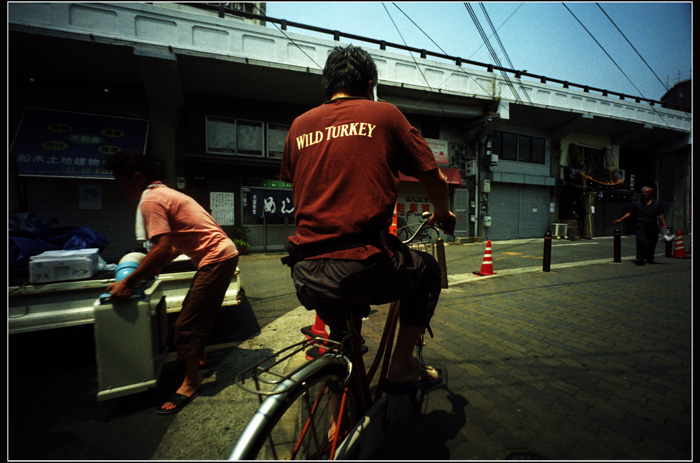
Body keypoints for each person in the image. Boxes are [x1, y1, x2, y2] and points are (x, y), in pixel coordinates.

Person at [280, 44, 456, 394]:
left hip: (306, 268)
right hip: (364, 263)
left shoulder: (299, 126)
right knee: (427, 274)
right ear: (370, 84)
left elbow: (297, 182)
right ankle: (403, 368)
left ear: (328, 85)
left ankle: (337, 423)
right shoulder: (385, 114)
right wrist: (442, 212)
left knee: (345, 342)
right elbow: (432, 175)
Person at [103, 150, 239, 414]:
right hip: (221, 255)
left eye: (121, 182)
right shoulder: (167, 193)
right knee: (194, 309)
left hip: (216, 257)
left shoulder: (151, 199)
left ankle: (191, 384)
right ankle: (196, 357)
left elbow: (163, 249)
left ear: (137, 177)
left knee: (186, 325)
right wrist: (149, 269)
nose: (120, 189)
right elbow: (173, 248)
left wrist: (129, 281)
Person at [613, 186, 668, 265]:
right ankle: (640, 259)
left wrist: (664, 224)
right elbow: (630, 213)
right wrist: (620, 219)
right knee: (641, 241)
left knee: (652, 242)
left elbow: (660, 214)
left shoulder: (657, 203)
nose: (645, 194)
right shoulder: (637, 204)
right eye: (643, 192)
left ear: (651, 193)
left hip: (652, 225)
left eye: (647, 192)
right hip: (641, 225)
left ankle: (650, 258)